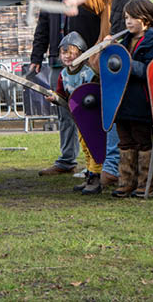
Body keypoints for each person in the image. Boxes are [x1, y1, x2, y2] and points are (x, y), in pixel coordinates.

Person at [31, 0, 111, 176]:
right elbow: (45, 19)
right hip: (60, 54)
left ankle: (97, 160)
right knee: (65, 108)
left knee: (91, 107)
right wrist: (37, 56)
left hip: (90, 56)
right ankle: (67, 159)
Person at [110, 0, 153, 198]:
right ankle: (126, 181)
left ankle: (147, 183)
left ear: (146, 20)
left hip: (141, 99)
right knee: (125, 141)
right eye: (126, 17)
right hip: (122, 99)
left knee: (143, 141)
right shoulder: (125, 40)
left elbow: (152, 70)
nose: (128, 21)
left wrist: (125, 63)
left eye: (132, 17)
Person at [46, 31, 102, 194]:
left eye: (72, 52)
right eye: (64, 52)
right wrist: (55, 98)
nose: (68, 56)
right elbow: (62, 94)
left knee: (93, 147)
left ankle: (96, 176)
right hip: (78, 118)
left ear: (81, 53)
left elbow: (95, 93)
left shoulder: (89, 73)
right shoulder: (63, 75)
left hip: (92, 118)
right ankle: (89, 175)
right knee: (84, 147)